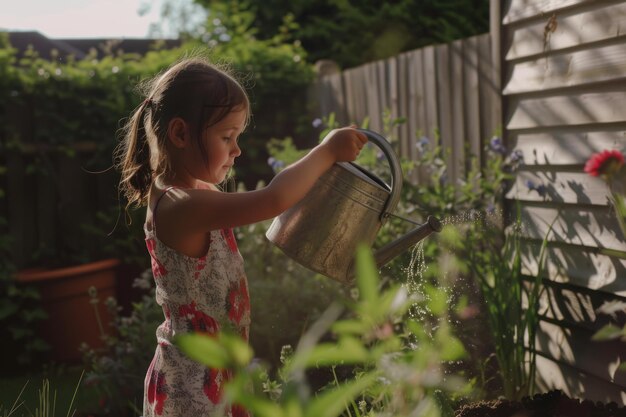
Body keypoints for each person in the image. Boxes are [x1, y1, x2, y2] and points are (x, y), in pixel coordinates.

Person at [114, 56, 367, 417]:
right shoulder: (181, 205)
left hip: (217, 370)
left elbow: (274, 203)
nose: (237, 150)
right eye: (227, 137)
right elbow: (273, 199)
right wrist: (326, 151)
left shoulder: (196, 191)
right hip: (193, 381)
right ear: (181, 134)